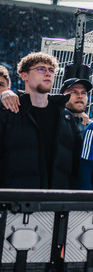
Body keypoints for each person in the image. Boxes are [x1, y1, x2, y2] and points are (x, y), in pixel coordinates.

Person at [0, 53, 81, 189]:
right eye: (41, 69)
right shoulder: (8, 112)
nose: (48, 73)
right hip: (16, 202)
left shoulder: (66, 117)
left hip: (56, 203)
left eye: (51, 70)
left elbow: (76, 163)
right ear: (24, 76)